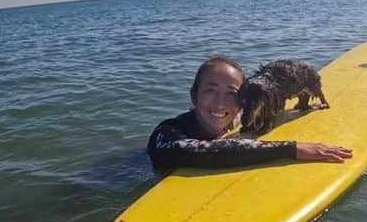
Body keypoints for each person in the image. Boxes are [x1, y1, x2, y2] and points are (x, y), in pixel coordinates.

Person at [147, 55, 353, 175]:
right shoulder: (165, 134)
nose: (221, 103)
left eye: (232, 94)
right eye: (210, 90)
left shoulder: (237, 120)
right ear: (193, 96)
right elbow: (203, 152)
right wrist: (291, 148)